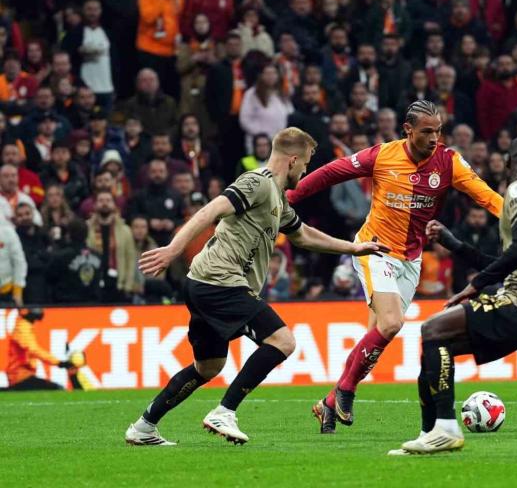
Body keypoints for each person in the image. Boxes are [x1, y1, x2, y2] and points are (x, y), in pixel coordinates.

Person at [125, 127, 388, 446]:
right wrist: (173, 249)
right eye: (305, 164)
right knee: (283, 341)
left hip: (205, 283)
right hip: (220, 282)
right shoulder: (257, 182)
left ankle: (144, 427)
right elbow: (211, 210)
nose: (305, 172)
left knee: (207, 367)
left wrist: (354, 248)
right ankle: (225, 412)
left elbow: (303, 235)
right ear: (293, 160)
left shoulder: (277, 197)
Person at [287, 100, 502, 434]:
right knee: (391, 324)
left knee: (377, 338)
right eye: (427, 131)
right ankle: (346, 391)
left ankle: (329, 402)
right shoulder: (383, 156)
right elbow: (332, 172)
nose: (434, 138)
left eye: (438, 131)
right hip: (374, 248)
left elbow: (486, 195)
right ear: (408, 130)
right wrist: (288, 197)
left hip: (410, 260)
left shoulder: (449, 162)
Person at [388, 135, 517, 455]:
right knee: (435, 348)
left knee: (432, 330)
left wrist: (476, 284)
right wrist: (454, 244)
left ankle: (445, 428)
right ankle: (429, 434)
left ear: (508, 163)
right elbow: (511, 261)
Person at [5, 308, 74, 390]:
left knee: (54, 388)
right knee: (57, 389)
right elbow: (34, 350)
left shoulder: (25, 327)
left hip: (24, 375)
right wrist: (58, 363)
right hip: (20, 376)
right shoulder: (22, 329)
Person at [47, 218, 103, 303]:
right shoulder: (98, 256)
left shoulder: (60, 257)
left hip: (67, 305)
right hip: (92, 306)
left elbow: (49, 278)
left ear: (68, 234)